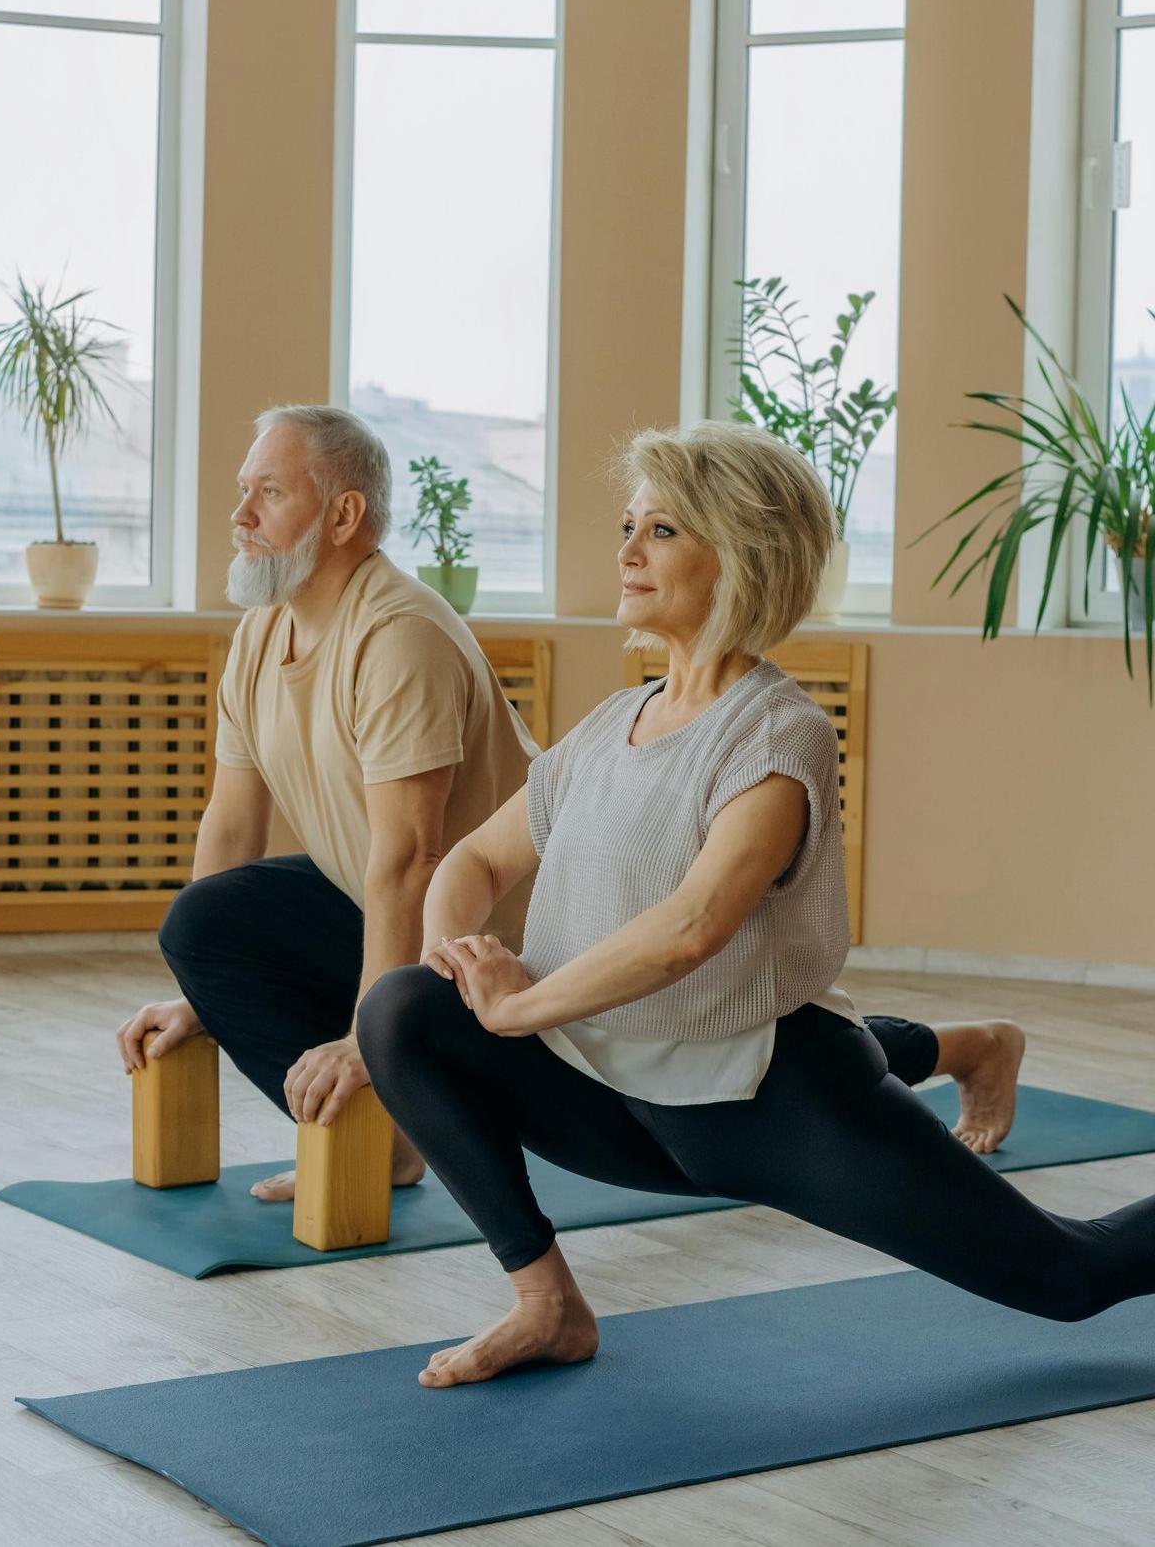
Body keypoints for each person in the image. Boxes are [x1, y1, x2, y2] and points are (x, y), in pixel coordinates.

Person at [356, 419, 1155, 1389]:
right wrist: (458, 959)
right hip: (603, 1087)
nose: (625, 551)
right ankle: (547, 1303)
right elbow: (476, 856)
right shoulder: (615, 721)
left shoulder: (776, 734)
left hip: (759, 1103)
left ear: (738, 553)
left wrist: (516, 1004)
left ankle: (970, 1047)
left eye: (660, 530)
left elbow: (693, 928)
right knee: (400, 1008)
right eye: (627, 524)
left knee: (1069, 1276)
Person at [115, 404, 539, 1198]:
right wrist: (201, 994)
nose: (241, 515)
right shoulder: (263, 632)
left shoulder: (399, 634)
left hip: (500, 941)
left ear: (344, 514)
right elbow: (233, 821)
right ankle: (382, 1125)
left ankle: (394, 1132)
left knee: (376, 894)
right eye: (245, 491)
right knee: (204, 924)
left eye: (269, 493)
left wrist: (364, 1042)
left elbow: (414, 859)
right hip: (386, 902)